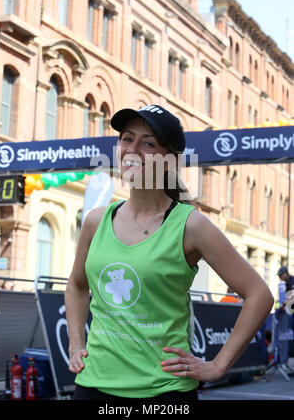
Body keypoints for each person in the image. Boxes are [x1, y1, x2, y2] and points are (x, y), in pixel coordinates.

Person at [65, 105, 273, 402]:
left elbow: (259, 295)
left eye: (148, 143)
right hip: (93, 386)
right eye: (126, 139)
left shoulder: (191, 225)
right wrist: (75, 343)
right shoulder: (96, 221)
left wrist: (217, 366)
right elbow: (76, 285)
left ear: (169, 160)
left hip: (164, 393)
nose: (132, 149)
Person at [276, 266, 294, 371]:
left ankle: (284, 361)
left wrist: (283, 303)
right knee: (285, 336)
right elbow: (282, 300)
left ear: (286, 273)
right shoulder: (282, 284)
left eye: (280, 275)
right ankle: (284, 361)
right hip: (287, 313)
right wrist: (280, 305)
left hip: (290, 312)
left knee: (287, 336)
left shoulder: (292, 281)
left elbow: (291, 297)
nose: (279, 277)